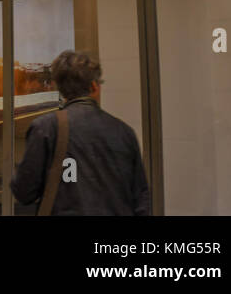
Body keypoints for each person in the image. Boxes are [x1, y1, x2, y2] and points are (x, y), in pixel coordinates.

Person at [12, 50, 151, 215]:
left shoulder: (45, 128)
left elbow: (24, 192)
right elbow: (142, 198)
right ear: (94, 86)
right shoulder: (124, 132)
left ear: (60, 89)